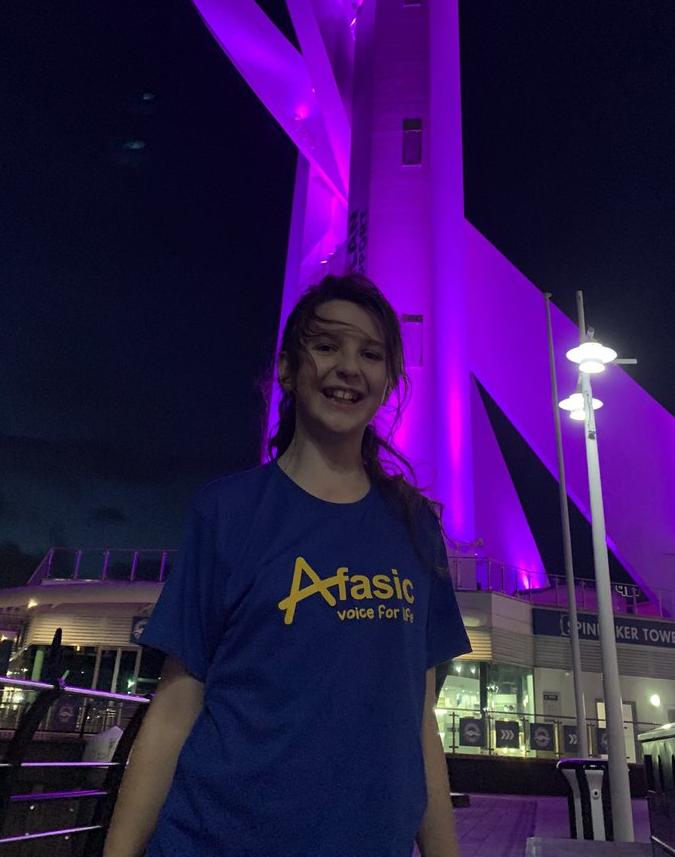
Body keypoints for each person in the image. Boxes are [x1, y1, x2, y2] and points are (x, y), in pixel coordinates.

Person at [103, 274, 470, 857]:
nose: (349, 367)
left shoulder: (415, 529)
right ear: (287, 369)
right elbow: (176, 705)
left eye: (370, 354)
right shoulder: (227, 510)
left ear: (388, 381)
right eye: (326, 346)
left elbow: (419, 722)